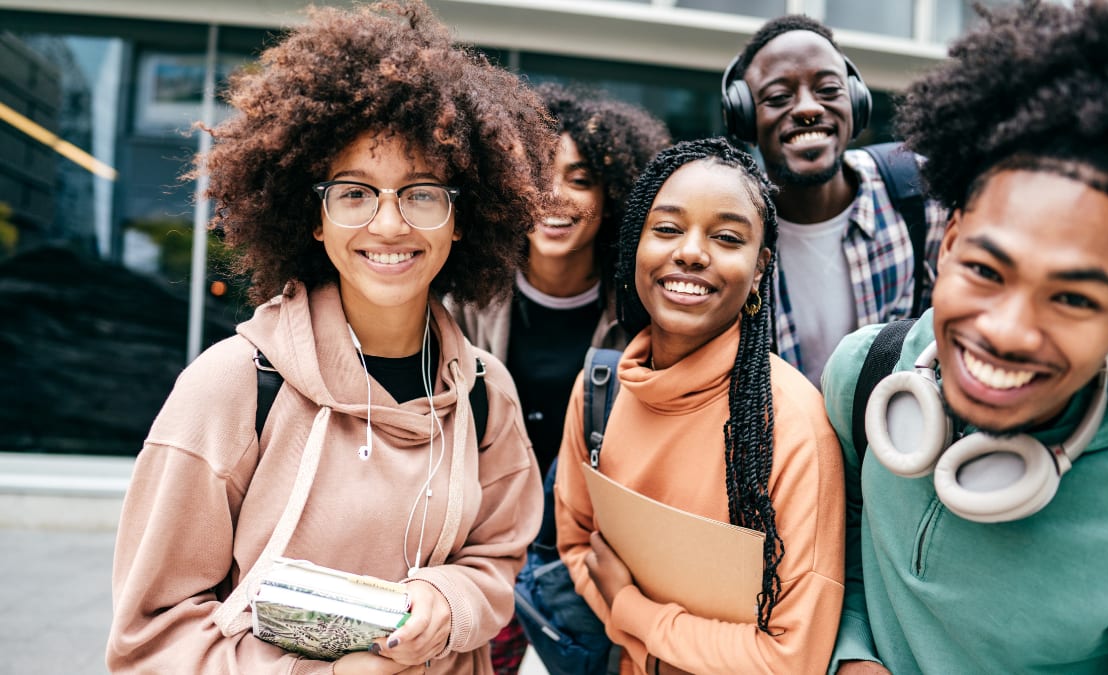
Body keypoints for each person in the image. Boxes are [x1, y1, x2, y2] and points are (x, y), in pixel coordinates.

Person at [106, 2, 554, 673]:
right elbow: (150, 638)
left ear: (462, 219)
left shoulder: (485, 392)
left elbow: (497, 558)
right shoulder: (234, 384)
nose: (390, 223)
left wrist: (446, 596)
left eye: (422, 192)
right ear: (314, 218)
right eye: (354, 192)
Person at [821, 1, 1108, 672]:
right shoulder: (864, 375)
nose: (1006, 331)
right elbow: (837, 539)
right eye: (986, 269)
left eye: (1074, 297)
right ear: (951, 239)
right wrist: (851, 652)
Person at [554, 137, 846, 675]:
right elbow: (576, 545)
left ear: (759, 268)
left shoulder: (794, 428)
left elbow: (792, 657)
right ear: (634, 247)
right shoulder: (600, 390)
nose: (690, 251)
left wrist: (636, 618)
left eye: (727, 237)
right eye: (666, 229)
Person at [448, 81, 669, 675]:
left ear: (613, 196)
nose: (554, 196)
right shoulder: (461, 299)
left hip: (585, 566)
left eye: (580, 178)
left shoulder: (645, 312)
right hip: (479, 548)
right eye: (537, 173)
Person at [724, 15, 948, 386]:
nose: (809, 109)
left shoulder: (922, 192)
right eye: (779, 97)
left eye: (828, 89)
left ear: (856, 101)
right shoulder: (731, 229)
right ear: (744, 117)